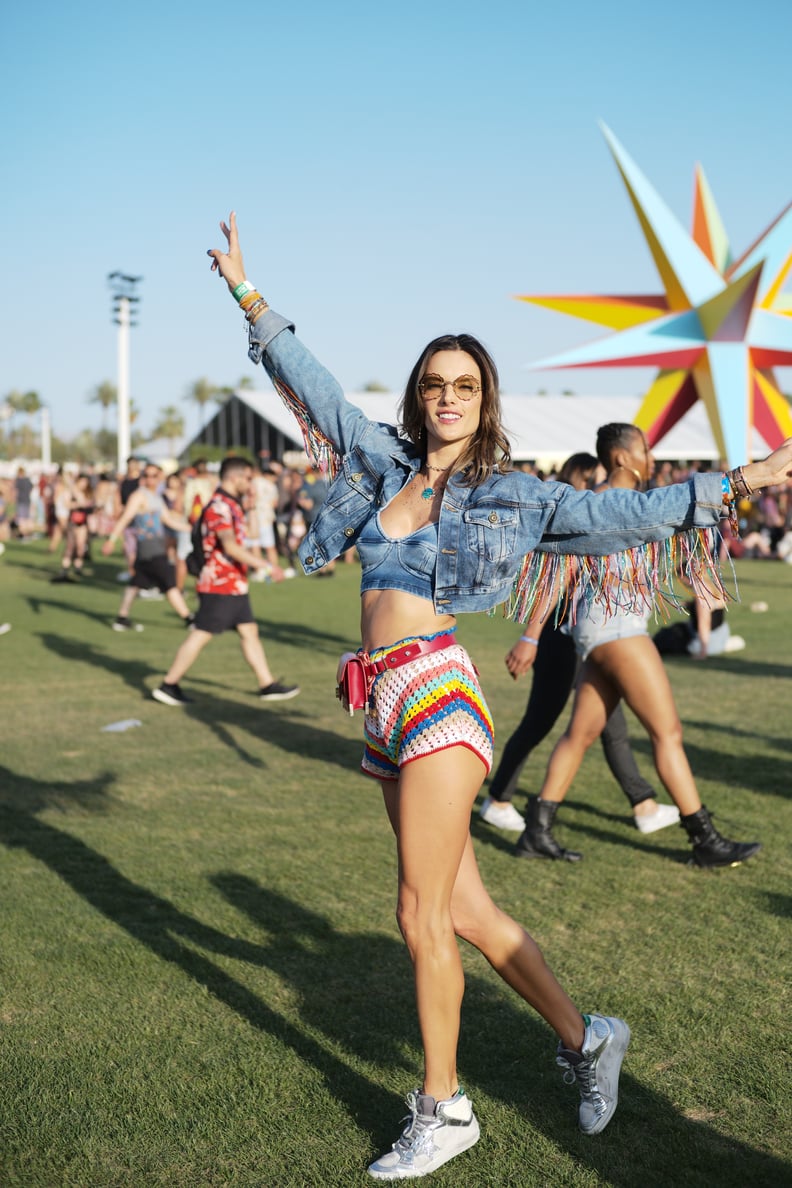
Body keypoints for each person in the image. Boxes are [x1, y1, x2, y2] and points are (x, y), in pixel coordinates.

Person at [206, 213, 792, 1181]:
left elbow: (624, 512)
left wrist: (734, 484)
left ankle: (444, 1109)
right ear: (417, 395)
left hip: (437, 692)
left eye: (465, 386)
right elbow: (308, 379)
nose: (447, 398)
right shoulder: (382, 463)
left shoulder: (517, 495)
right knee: (468, 909)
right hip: (380, 702)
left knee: (417, 915)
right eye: (434, 384)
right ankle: (586, 1034)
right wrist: (248, 294)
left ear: (486, 401)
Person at [519, 423, 762, 869]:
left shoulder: (598, 504)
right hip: (618, 629)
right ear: (622, 459)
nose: (651, 460)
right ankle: (703, 837)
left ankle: (537, 829)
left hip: (596, 629)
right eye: (645, 451)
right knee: (667, 733)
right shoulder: (617, 503)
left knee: (581, 734)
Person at [481, 453, 679, 843]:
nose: (601, 484)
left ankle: (643, 804)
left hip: (579, 633)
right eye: (597, 478)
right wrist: (530, 637)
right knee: (542, 720)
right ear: (586, 476)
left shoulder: (593, 515)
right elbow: (555, 583)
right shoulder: (579, 521)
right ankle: (499, 798)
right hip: (561, 636)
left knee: (609, 726)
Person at [151, 455, 300, 706]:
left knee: (249, 631)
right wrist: (267, 566)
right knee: (201, 633)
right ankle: (169, 684)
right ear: (236, 477)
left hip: (234, 583)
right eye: (248, 478)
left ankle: (267, 684)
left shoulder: (232, 505)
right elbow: (230, 547)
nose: (250, 483)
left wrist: (251, 507)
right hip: (220, 584)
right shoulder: (219, 506)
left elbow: (250, 536)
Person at [101, 463, 194, 631]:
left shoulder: (156, 498)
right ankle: (188, 618)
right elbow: (125, 518)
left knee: (136, 583)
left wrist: (192, 529)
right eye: (147, 475)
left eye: (154, 476)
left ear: (159, 478)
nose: (150, 479)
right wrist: (112, 539)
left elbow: (169, 521)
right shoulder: (139, 496)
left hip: (156, 546)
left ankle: (121, 617)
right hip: (150, 548)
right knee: (169, 582)